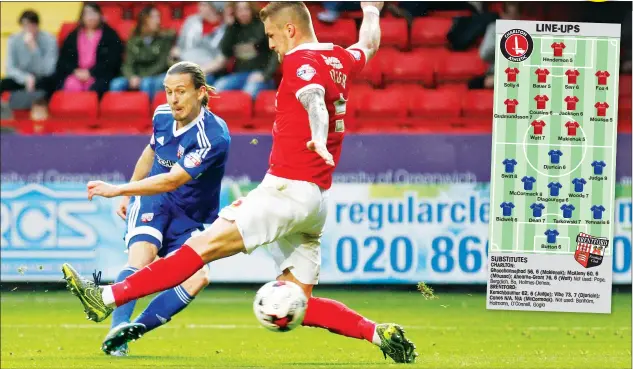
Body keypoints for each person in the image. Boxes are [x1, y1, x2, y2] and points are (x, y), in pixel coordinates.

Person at [62, 2, 417, 364]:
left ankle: (106, 297)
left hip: (285, 189)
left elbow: (314, 102)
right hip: (316, 201)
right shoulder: (339, 59)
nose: (272, 45)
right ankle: (377, 333)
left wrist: (319, 137)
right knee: (298, 302)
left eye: (272, 36)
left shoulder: (299, 62)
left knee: (200, 249)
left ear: (290, 30)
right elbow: (368, 45)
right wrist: (372, 10)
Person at [99, 61, 231, 356]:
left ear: (200, 92)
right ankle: (115, 335)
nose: (173, 99)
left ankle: (131, 331)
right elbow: (151, 152)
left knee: (199, 277)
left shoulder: (214, 137)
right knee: (141, 257)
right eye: (168, 91)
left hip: (190, 214)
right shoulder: (161, 115)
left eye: (181, 92)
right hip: (153, 201)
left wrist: (119, 189)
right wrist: (130, 192)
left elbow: (172, 180)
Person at [202, 2, 279, 98]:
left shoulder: (263, 25)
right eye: (239, 10)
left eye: (246, 9)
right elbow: (226, 51)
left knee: (248, 92)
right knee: (219, 87)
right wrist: (229, 27)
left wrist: (265, 75)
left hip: (260, 73)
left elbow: (276, 53)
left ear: (252, 9)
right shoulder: (234, 28)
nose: (243, 13)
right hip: (240, 74)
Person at [54, 2, 123, 98]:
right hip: (76, 74)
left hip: (100, 75)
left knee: (96, 89)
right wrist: (75, 71)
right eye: (87, 14)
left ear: (100, 15)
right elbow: (64, 60)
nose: (91, 17)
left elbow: (113, 61)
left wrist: (91, 73)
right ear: (82, 17)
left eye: (94, 13)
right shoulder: (73, 36)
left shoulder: (110, 35)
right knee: (69, 84)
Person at [109, 6, 177, 100]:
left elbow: (162, 64)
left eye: (158, 17)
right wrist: (131, 76)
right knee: (116, 84)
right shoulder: (133, 40)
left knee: (146, 83)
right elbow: (128, 63)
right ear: (144, 20)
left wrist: (141, 77)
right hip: (135, 76)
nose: (157, 20)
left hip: (155, 75)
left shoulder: (164, 38)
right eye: (153, 17)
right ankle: (116, 112)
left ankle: (149, 112)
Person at [0, 10, 58, 100]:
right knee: (3, 83)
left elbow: (48, 70)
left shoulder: (49, 40)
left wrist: (34, 49)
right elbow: (10, 68)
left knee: (49, 83)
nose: (28, 30)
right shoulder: (13, 40)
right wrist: (25, 78)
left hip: (41, 78)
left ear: (37, 26)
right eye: (24, 26)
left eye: (31, 26)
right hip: (22, 78)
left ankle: (40, 109)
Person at [170, 2, 227, 84]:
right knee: (152, 83)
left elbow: (222, 59)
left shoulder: (224, 29)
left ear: (214, 7)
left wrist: (201, 70)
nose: (199, 7)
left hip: (209, 72)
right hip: (184, 69)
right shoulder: (191, 22)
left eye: (204, 5)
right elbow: (178, 48)